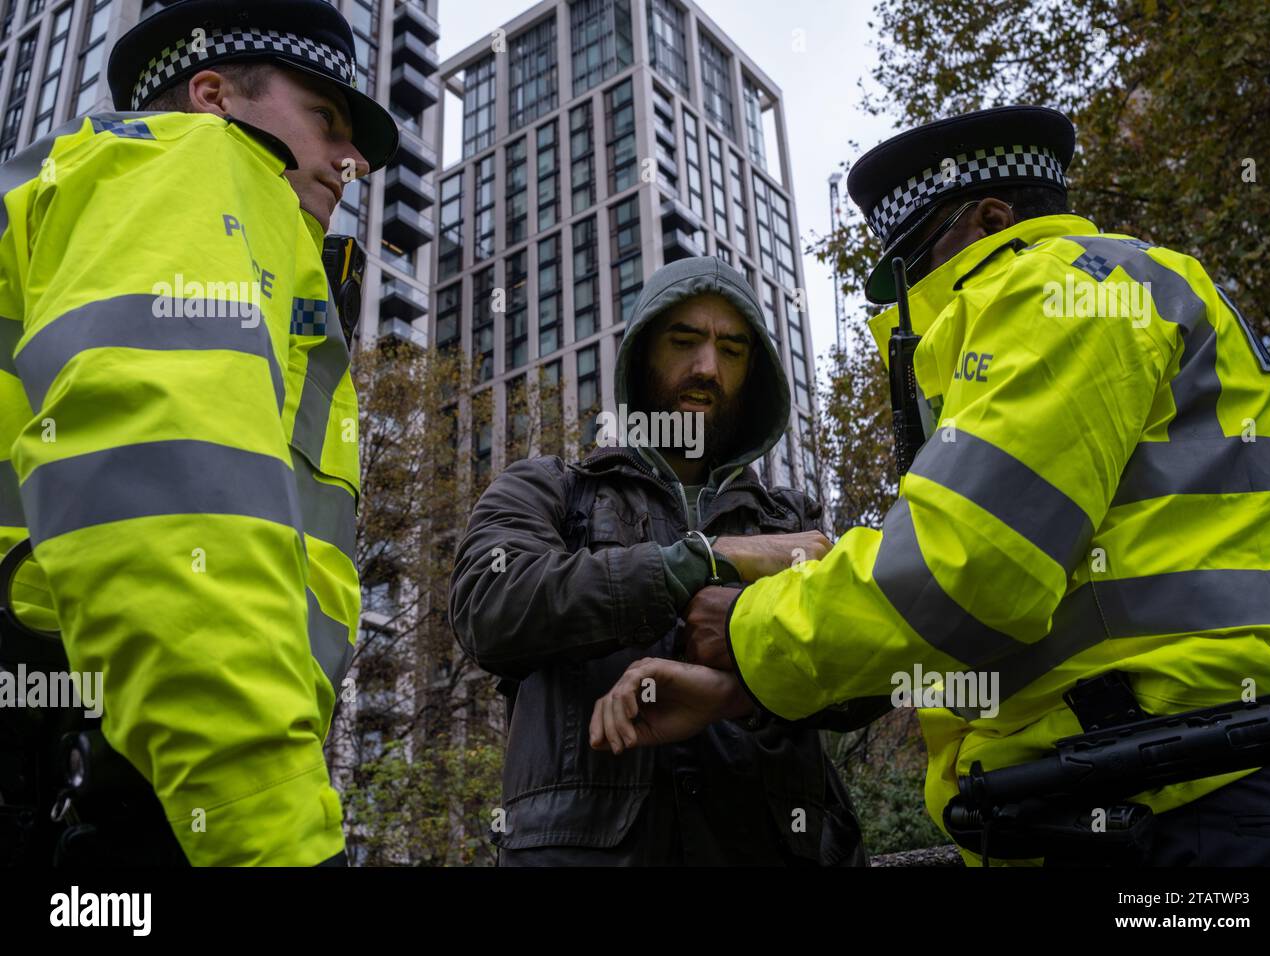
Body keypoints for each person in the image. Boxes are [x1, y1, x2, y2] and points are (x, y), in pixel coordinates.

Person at [591, 106, 1270, 866]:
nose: (906, 309)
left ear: (992, 218)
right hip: (1166, 780)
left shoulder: (1058, 289)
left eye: (912, 270)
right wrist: (768, 653)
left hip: (1181, 801)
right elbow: (1005, 575)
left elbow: (968, 565)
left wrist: (746, 628)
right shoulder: (1141, 289)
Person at [0, 0, 398, 865]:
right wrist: (269, 823)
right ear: (213, 95)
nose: (349, 160)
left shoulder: (93, 188)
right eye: (325, 119)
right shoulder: (196, 162)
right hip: (113, 761)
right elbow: (170, 508)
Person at [449, 256, 886, 866]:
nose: (707, 367)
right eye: (684, 341)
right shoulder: (548, 488)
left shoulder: (794, 520)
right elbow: (487, 607)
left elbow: (868, 678)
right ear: (641, 355)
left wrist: (741, 683)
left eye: (732, 350)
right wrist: (705, 561)